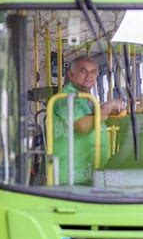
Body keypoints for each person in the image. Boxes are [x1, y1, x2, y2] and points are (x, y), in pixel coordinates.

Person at [53, 56, 123, 184]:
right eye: (83, 71)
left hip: (89, 172)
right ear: (71, 74)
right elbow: (81, 126)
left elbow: (91, 116)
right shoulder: (65, 98)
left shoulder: (86, 98)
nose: (88, 76)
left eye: (93, 72)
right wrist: (107, 108)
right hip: (71, 176)